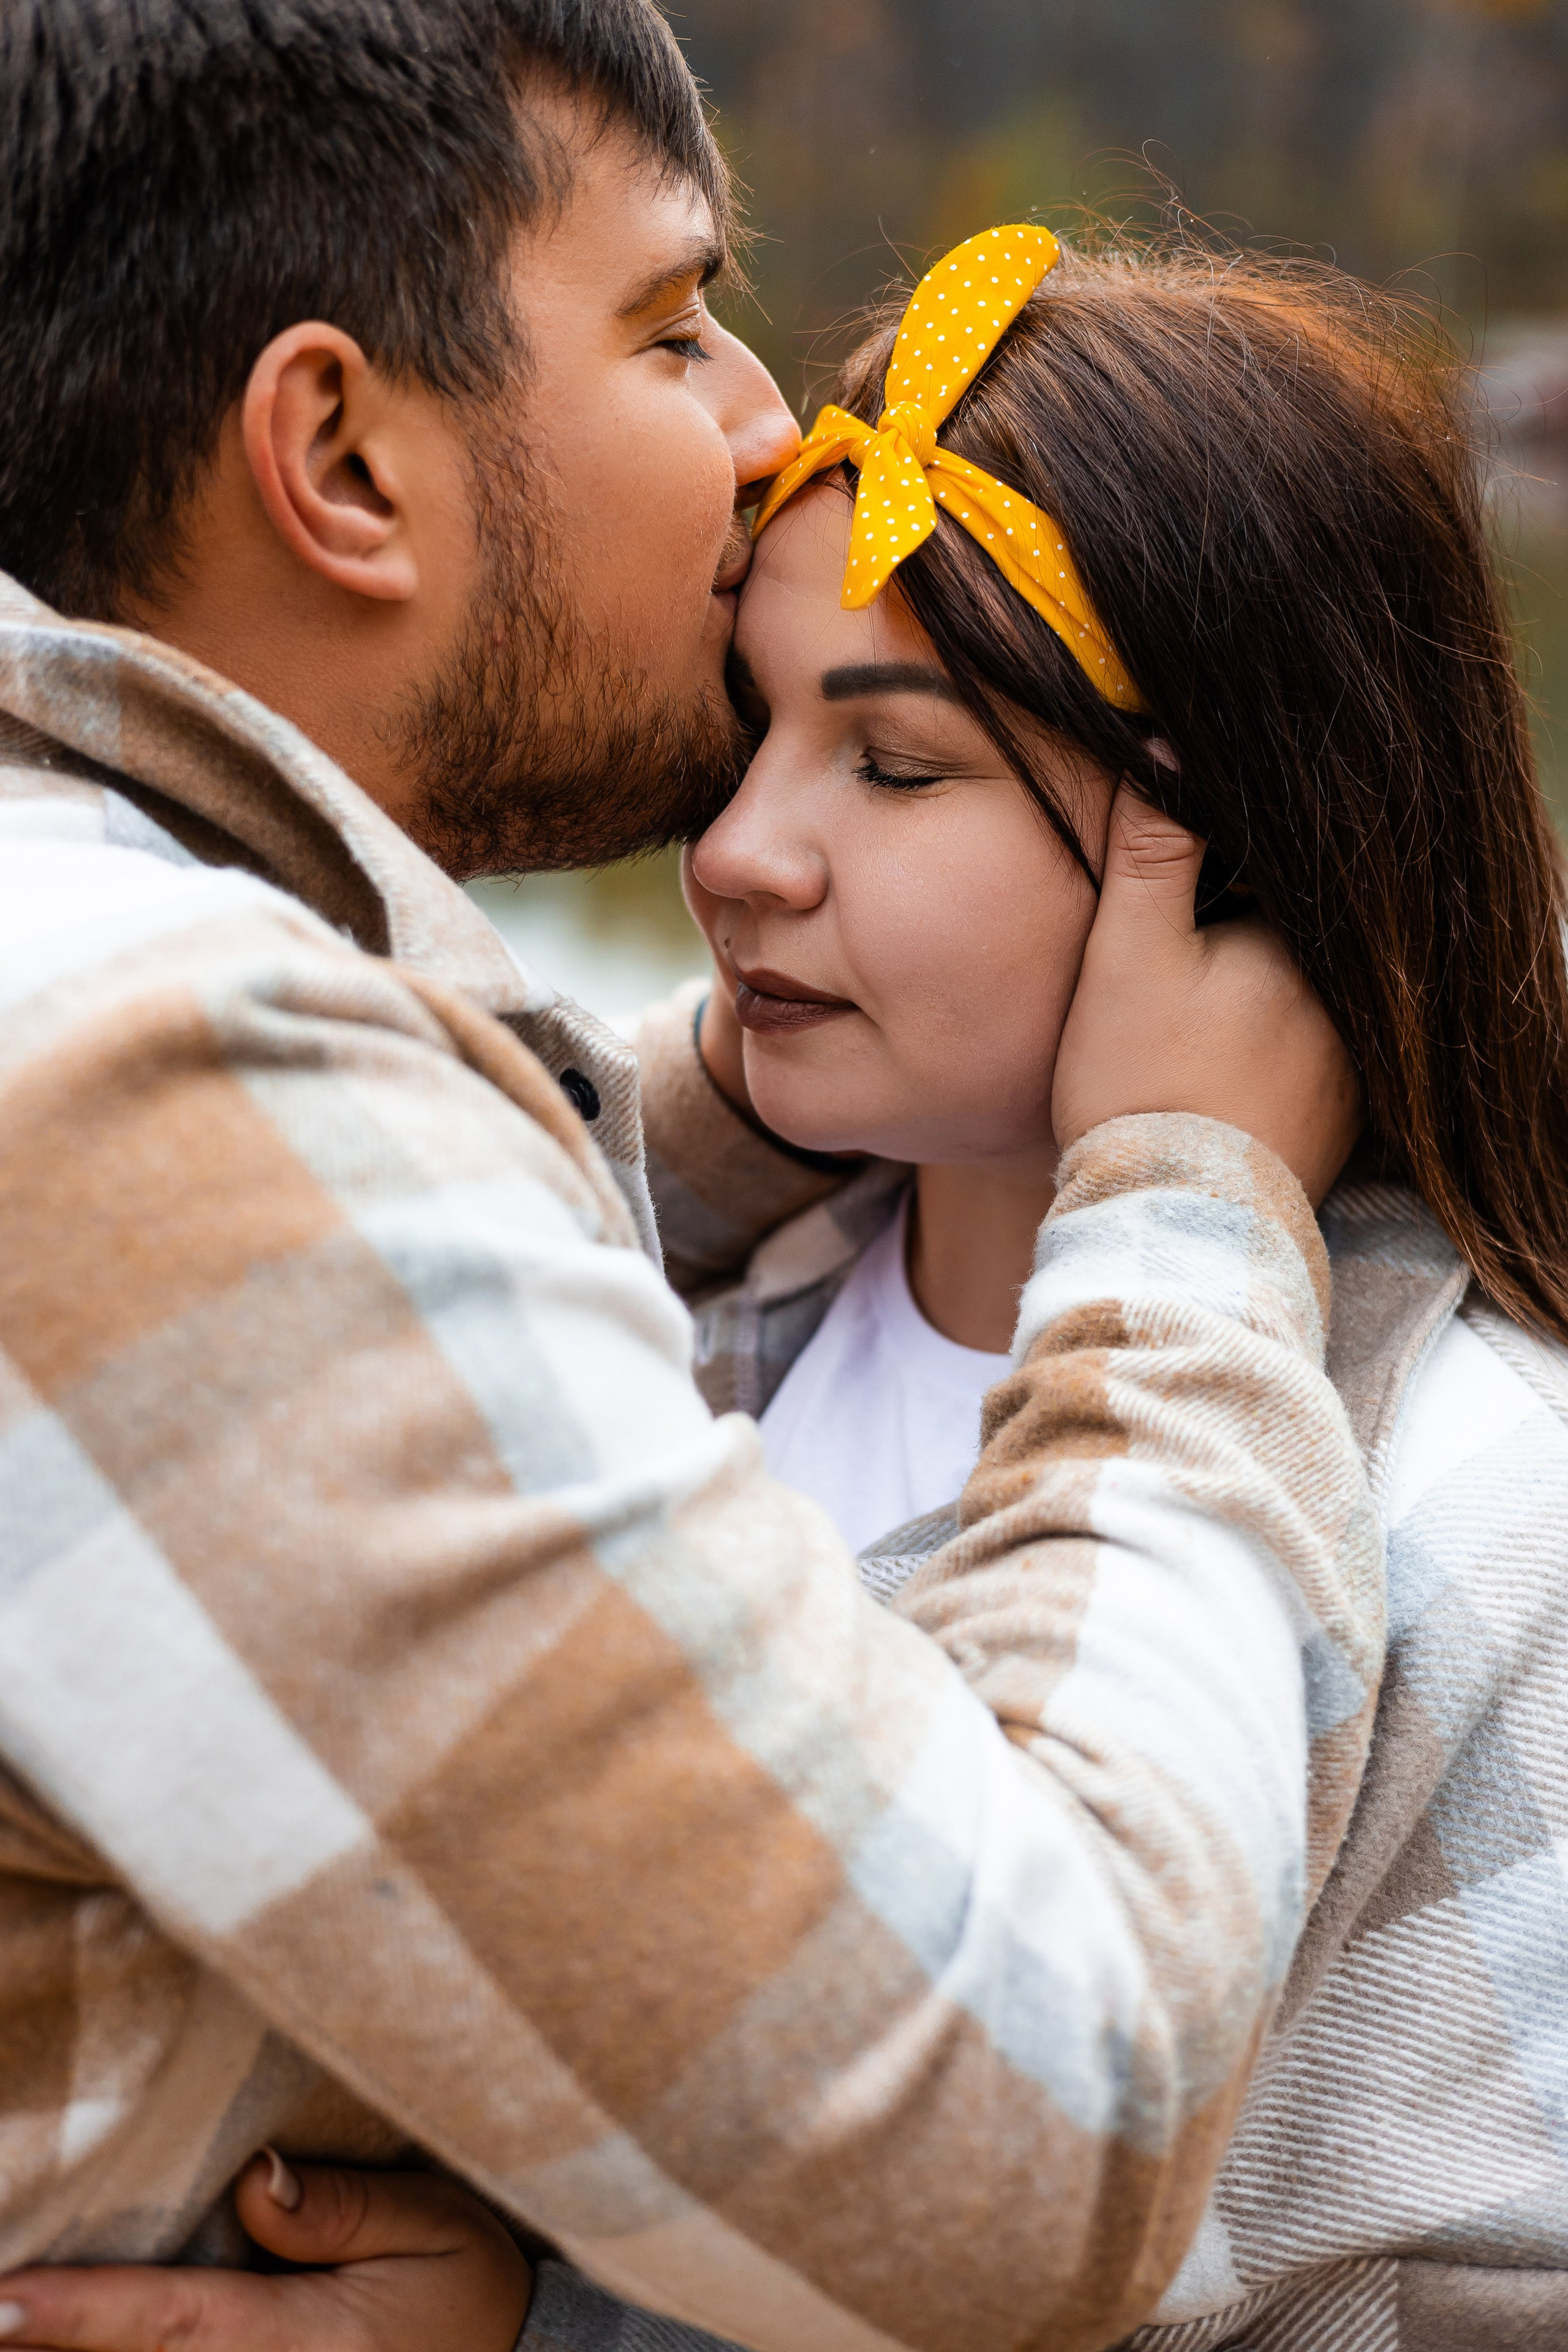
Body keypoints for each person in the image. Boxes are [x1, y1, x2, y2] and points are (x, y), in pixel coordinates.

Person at [21, 220, 1567, 2352]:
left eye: (897, 761)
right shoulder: (616, 1347)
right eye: (748, 724)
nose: (739, 849)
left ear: (1246, 848)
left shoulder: (1486, 1527)